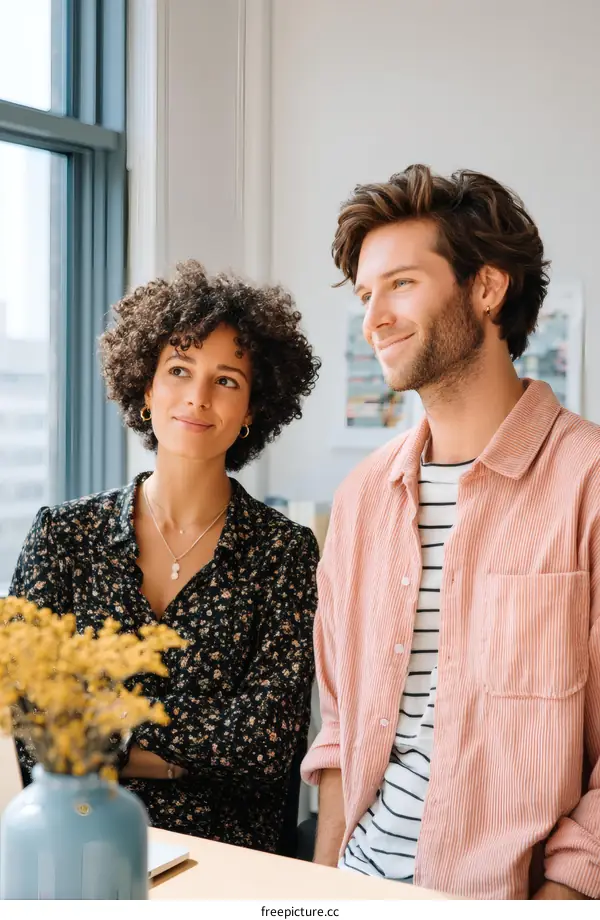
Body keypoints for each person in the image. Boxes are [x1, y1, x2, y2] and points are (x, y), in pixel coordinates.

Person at [301, 165, 600, 898]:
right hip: (355, 886)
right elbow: (340, 728)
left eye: (401, 284)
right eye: (366, 295)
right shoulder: (363, 498)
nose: (374, 319)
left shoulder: (587, 483)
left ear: (487, 287)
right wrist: (319, 895)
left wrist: (561, 897)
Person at [11, 260, 321, 855]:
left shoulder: (285, 552)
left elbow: (265, 747)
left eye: (226, 380)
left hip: (227, 858)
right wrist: (188, 755)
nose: (198, 398)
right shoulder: (63, 536)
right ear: (148, 390)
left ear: (253, 408)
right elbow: (30, 728)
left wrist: (109, 731)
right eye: (179, 371)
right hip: (78, 842)